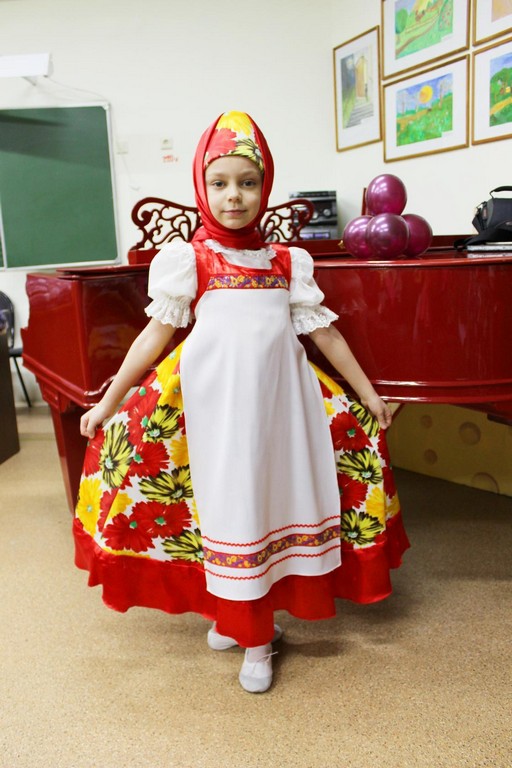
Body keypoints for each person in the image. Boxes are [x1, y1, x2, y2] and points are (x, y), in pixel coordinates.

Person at [74, 110, 409, 694]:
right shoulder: (190, 260)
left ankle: (253, 629)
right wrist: (109, 400)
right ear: (202, 188)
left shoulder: (288, 262)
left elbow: (325, 335)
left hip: (282, 412)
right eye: (220, 182)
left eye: (248, 182)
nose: (235, 196)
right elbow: (153, 336)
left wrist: (367, 395)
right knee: (228, 510)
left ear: (265, 186)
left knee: (269, 507)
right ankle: (246, 627)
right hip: (214, 414)